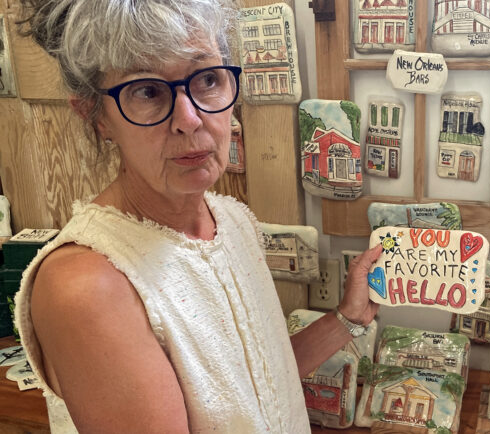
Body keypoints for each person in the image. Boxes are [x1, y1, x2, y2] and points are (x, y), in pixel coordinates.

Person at [13, 1, 381, 432]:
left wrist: (348, 317)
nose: (189, 119)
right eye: (146, 91)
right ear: (97, 118)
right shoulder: (90, 286)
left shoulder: (232, 221)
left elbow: (261, 383)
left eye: (206, 79)